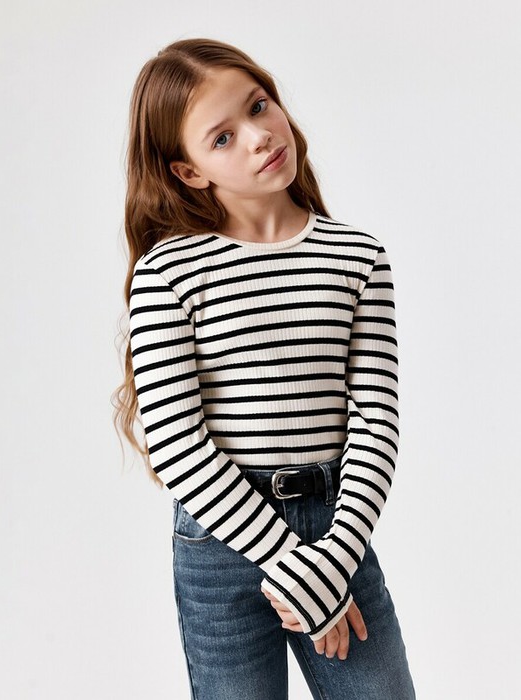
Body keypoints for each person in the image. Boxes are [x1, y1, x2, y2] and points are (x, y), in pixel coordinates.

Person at [113, 36, 416, 700]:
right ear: (188, 171)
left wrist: (332, 562)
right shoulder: (169, 273)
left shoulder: (357, 258)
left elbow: (376, 421)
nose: (258, 137)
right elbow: (178, 445)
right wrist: (290, 564)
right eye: (221, 138)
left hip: (338, 531)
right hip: (221, 545)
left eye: (257, 106)